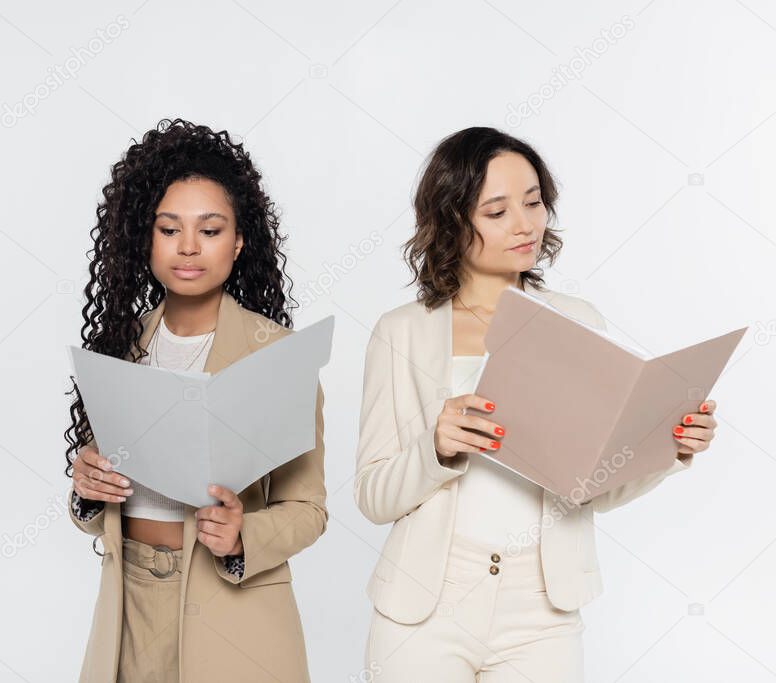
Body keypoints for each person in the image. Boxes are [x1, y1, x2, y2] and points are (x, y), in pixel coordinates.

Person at [355, 126, 718, 681]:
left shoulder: (578, 322)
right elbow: (374, 496)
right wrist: (436, 447)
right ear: (453, 221)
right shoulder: (401, 333)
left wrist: (668, 446)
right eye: (497, 211)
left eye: (533, 202)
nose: (526, 224)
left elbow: (597, 484)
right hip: (426, 606)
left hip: (543, 609)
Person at [64, 118, 326, 683]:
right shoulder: (121, 345)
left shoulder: (275, 354)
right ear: (146, 238)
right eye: (169, 229)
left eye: (209, 230)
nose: (188, 247)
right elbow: (96, 508)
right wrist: (87, 490)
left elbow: (309, 510)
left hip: (231, 607)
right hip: (129, 600)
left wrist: (242, 535)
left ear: (238, 241)